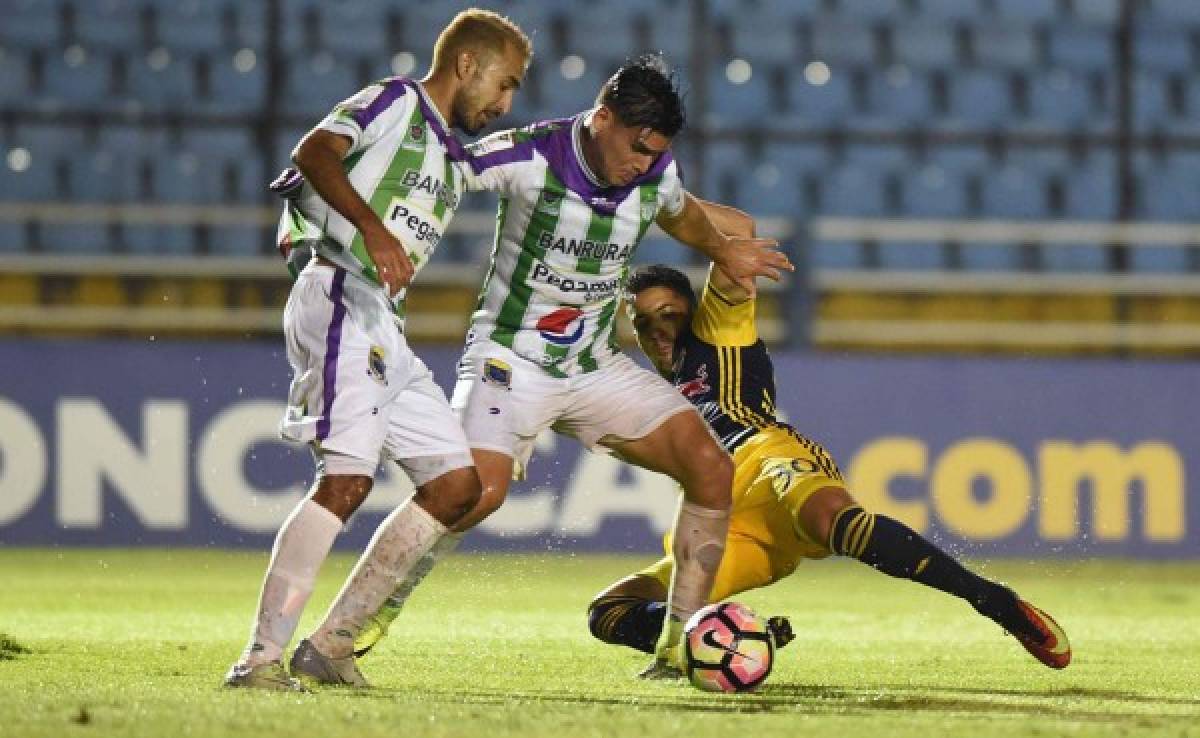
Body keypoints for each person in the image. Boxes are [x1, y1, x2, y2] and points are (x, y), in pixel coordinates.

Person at [352, 54, 794, 678]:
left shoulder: (653, 172)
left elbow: (681, 211)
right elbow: (445, 170)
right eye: (636, 147)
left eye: (654, 153)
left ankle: (675, 649)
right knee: (470, 495)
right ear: (602, 118)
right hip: (511, 360)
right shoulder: (529, 156)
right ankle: (352, 628)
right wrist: (367, 217)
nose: (642, 164)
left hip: (591, 365)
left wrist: (725, 247)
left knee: (710, 466)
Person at [583, 206, 1072, 673]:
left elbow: (738, 230)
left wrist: (647, 201)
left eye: (668, 314)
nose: (657, 330)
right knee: (608, 611)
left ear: (692, 313)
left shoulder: (717, 333)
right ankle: (730, 641)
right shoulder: (649, 388)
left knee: (830, 519)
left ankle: (993, 601)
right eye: (643, 322)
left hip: (765, 458)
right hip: (721, 519)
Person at [223, 8, 533, 691]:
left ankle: (330, 647)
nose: (505, 103)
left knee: (459, 487)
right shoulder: (395, 99)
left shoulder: (452, 153)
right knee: (347, 478)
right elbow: (312, 153)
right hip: (338, 294)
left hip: (383, 322)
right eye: (504, 85)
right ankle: (260, 659)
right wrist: (372, 229)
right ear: (466, 66)